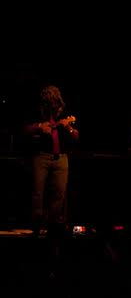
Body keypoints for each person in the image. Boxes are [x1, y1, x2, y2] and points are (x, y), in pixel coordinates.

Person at [24, 85, 78, 236]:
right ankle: (36, 226)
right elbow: (25, 130)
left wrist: (69, 128)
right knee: (37, 193)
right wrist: (39, 126)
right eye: (49, 102)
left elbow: (76, 136)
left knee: (59, 194)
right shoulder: (37, 112)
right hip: (41, 157)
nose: (52, 105)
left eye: (54, 101)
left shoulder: (64, 113)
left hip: (61, 157)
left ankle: (53, 227)